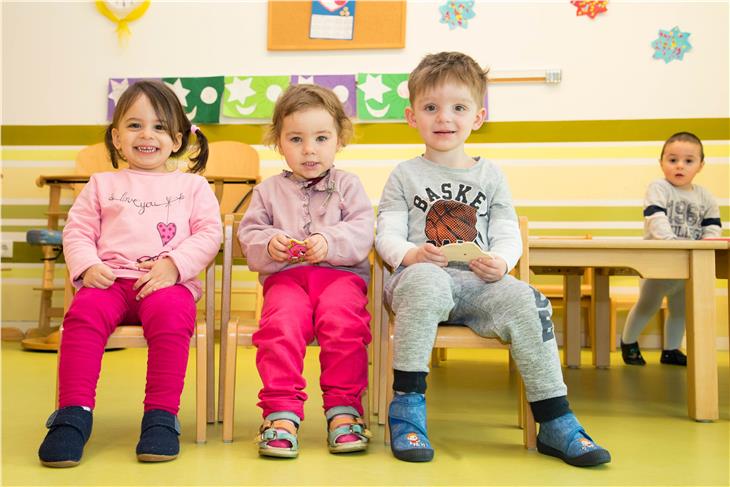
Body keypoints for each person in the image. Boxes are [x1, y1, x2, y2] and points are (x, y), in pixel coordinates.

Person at [375, 51, 611, 467]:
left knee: (526, 299)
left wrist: (502, 261)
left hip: (479, 282)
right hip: (419, 280)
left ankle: (555, 421)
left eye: (458, 108)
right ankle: (407, 408)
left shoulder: (492, 176)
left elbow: (505, 232)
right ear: (413, 117)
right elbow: (386, 233)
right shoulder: (403, 175)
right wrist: (411, 254)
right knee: (427, 281)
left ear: (478, 117)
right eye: (431, 108)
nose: (444, 118)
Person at [37, 80, 222, 467]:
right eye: (135, 125)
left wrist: (174, 265)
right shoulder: (102, 184)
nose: (146, 135)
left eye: (158, 127)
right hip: (109, 281)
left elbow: (209, 233)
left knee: (173, 320)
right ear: (117, 137)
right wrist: (88, 265)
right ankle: (72, 417)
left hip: (167, 284)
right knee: (82, 317)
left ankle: (160, 417)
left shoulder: (193, 186)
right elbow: (78, 230)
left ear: (177, 139)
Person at [238, 84, 374, 459]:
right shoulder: (267, 191)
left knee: (345, 324)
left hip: (341, 280)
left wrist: (330, 242)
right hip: (286, 281)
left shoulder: (348, 185)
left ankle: (344, 412)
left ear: (339, 140)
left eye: (321, 138)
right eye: (296, 138)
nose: (309, 149)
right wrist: (269, 244)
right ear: (279, 143)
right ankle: (280, 415)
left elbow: (364, 231)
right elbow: (248, 235)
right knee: (279, 327)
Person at [621, 132, 721, 366]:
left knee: (680, 308)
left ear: (700, 165)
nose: (680, 166)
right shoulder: (659, 187)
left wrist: (708, 246)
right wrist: (671, 243)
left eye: (688, 161)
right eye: (672, 159)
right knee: (648, 304)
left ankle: (671, 349)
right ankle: (628, 342)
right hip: (660, 260)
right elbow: (656, 218)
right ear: (661, 162)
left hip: (689, 261)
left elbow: (712, 226)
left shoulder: (705, 196)